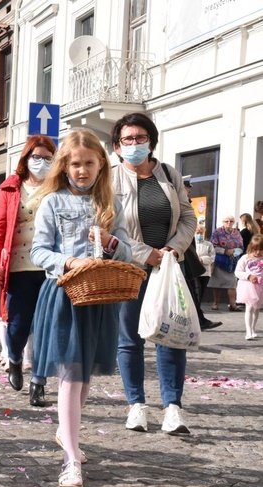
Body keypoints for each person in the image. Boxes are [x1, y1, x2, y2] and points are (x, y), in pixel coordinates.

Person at [30, 128, 132, 487]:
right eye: (75, 164)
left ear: (101, 164)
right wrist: (67, 262)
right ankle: (72, 459)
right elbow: (38, 251)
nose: (82, 170)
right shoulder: (52, 202)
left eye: (89, 163)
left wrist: (111, 241)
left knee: (85, 375)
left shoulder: (108, 203)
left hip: (99, 299)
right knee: (71, 377)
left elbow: (126, 252)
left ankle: (65, 431)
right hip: (64, 296)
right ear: (64, 165)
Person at [111, 112, 197, 435]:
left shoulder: (169, 175)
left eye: (140, 138)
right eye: (127, 140)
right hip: (130, 270)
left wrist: (174, 248)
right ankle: (136, 406)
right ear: (118, 147)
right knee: (130, 339)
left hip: (169, 267)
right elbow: (108, 227)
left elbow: (188, 218)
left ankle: (172, 408)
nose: (134, 144)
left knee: (171, 336)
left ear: (151, 141)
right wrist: (147, 253)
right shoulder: (111, 178)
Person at [0, 135, 56, 406]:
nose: (41, 162)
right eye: (35, 157)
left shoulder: (60, 187)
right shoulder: (10, 189)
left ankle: (38, 382)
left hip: (51, 267)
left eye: (47, 158)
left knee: (46, 327)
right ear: (26, 159)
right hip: (18, 266)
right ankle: (14, 357)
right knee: (18, 326)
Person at [182, 178, 222, 331]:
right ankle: (197, 320)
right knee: (189, 289)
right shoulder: (178, 199)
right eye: (187, 189)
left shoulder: (185, 200)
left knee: (193, 289)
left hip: (187, 252)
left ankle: (199, 319)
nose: (189, 192)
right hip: (183, 252)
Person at [208, 216, 244, 311]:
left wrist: (234, 251)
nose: (229, 223)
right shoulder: (217, 232)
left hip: (232, 262)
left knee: (232, 284)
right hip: (220, 261)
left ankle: (233, 304)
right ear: (223, 222)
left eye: (231, 221)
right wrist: (224, 251)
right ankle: (215, 303)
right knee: (217, 284)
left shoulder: (236, 233)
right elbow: (212, 246)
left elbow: (241, 247)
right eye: (226, 221)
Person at [235, 234, 263, 340]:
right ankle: (248, 331)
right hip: (248, 286)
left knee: (257, 309)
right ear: (251, 248)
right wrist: (248, 276)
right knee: (249, 307)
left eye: (260, 250)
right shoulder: (245, 258)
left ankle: (253, 329)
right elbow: (237, 272)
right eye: (255, 249)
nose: (258, 252)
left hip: (260, 286)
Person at [194, 226, 222, 330]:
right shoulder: (192, 244)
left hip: (205, 272)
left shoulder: (208, 244)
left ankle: (200, 320)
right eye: (197, 232)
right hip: (194, 272)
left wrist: (202, 259)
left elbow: (212, 258)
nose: (199, 234)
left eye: (201, 232)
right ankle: (200, 321)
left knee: (200, 296)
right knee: (195, 296)